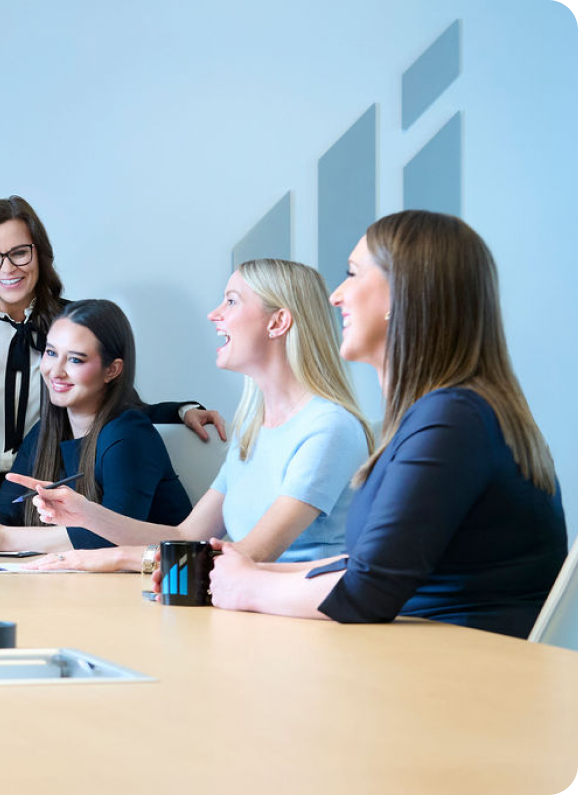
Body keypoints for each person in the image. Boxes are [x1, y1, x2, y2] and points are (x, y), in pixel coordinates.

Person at [152, 211, 564, 638]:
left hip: (465, 671)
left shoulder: (453, 420)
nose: (335, 296)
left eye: (352, 275)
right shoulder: (441, 415)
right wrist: (238, 570)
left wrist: (247, 585)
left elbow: (368, 588)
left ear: (402, 294)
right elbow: (366, 564)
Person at [15, 259, 373, 573]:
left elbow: (250, 556)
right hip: (251, 612)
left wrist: (119, 558)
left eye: (231, 301)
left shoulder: (329, 428)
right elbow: (185, 535)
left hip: (304, 624)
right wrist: (85, 514)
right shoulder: (254, 427)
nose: (215, 313)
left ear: (278, 322)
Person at [0, 195, 225, 515]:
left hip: (51, 491)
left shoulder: (71, 323)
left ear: (40, 254)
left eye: (20, 253)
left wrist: (181, 412)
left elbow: (116, 402)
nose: (7, 268)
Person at [0, 299, 192, 553]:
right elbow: (4, 511)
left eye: (75, 360)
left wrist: (1, 538)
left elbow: (110, 537)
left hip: (163, 583)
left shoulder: (130, 435)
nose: (56, 371)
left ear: (112, 370)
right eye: (51, 353)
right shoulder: (46, 430)